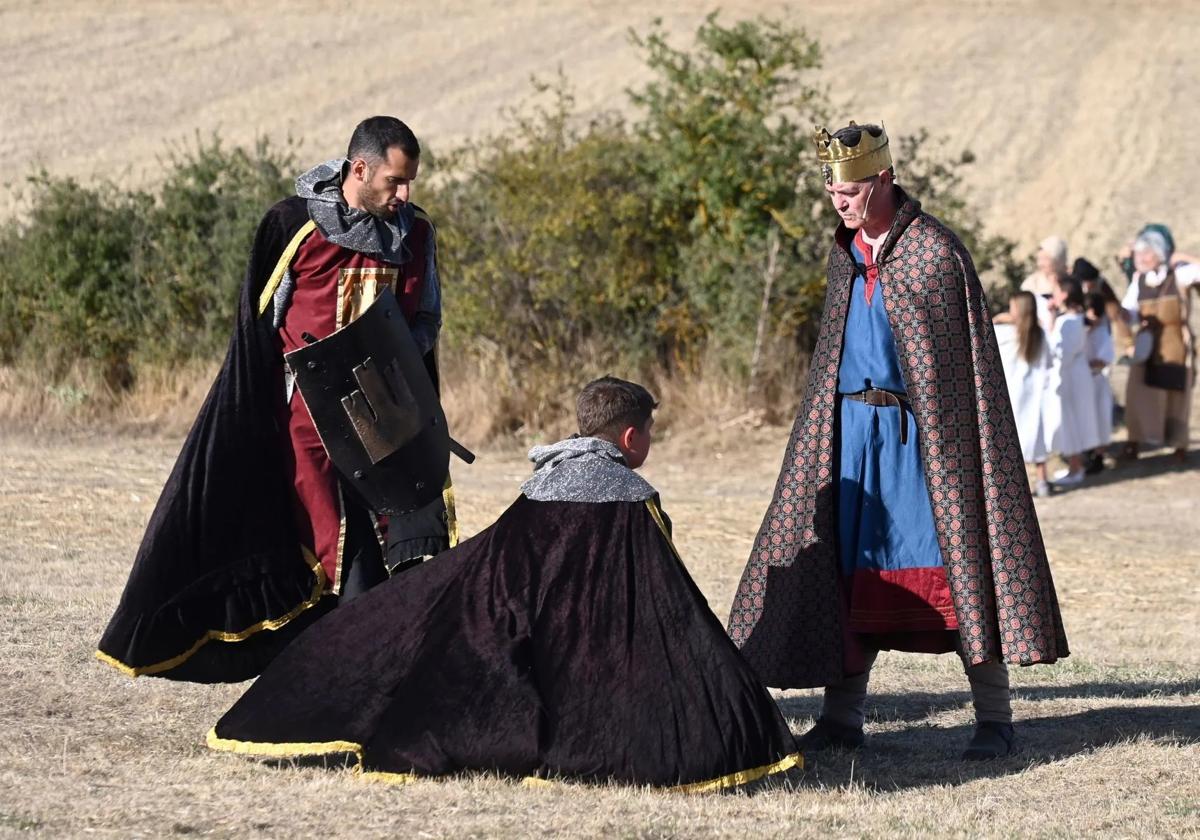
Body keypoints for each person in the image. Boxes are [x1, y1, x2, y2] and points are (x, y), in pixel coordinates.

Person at [207, 377, 801, 790]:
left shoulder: (538, 488)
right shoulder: (634, 499)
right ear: (629, 439)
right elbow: (668, 610)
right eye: (648, 433)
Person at [727, 121, 1068, 761]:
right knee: (848, 572)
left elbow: (960, 374)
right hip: (852, 436)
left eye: (850, 189)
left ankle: (994, 719)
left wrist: (939, 437)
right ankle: (842, 718)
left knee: (957, 567)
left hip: (926, 444)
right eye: (831, 191)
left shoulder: (935, 254)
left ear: (883, 179)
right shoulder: (846, 255)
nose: (839, 201)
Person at [96, 117, 454, 682]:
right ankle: (324, 669)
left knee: (391, 545)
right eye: (394, 181)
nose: (404, 195)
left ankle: (369, 667)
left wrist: (393, 356)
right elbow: (259, 331)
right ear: (358, 169)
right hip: (305, 422)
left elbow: (428, 318)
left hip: (386, 422)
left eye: (409, 182)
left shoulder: (417, 233)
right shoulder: (295, 227)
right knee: (319, 542)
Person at [1119, 230, 1198, 462]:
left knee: (1176, 396)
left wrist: (1183, 256)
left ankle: (1179, 446)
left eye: (1146, 254)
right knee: (1137, 393)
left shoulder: (1181, 274)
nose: (1140, 258)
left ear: (1159, 254)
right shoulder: (1139, 279)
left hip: (1175, 341)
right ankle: (1134, 442)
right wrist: (1123, 316)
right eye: (1139, 254)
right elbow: (1130, 311)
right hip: (1148, 344)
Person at [995, 291, 1053, 496]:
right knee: (1035, 434)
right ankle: (1043, 480)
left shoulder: (1004, 334)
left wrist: (998, 318)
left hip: (1012, 392)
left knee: (1011, 439)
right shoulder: (1041, 334)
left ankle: (1017, 486)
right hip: (1034, 393)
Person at [1044, 279, 1101, 488]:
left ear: (1065, 295)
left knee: (1071, 420)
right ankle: (1075, 465)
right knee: (1073, 419)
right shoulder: (1073, 318)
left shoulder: (1069, 321)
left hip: (1069, 374)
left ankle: (1076, 467)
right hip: (1074, 373)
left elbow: (1059, 349)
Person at [1084, 292, 1115, 473]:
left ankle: (1099, 456)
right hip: (1083, 382)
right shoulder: (1081, 330)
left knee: (1100, 418)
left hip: (1096, 380)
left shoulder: (1103, 333)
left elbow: (1104, 359)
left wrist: (1082, 364)